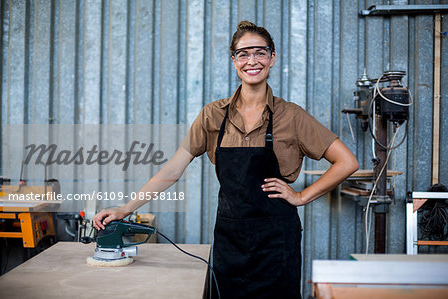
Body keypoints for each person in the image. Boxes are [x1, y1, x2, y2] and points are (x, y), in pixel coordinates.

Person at [93, 21, 359, 299]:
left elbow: (346, 162)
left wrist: (302, 196)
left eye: (260, 52)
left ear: (272, 58)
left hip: (277, 243)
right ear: (234, 61)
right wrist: (126, 208)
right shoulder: (213, 115)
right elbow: (173, 169)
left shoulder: (291, 116)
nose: (252, 61)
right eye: (243, 54)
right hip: (230, 242)